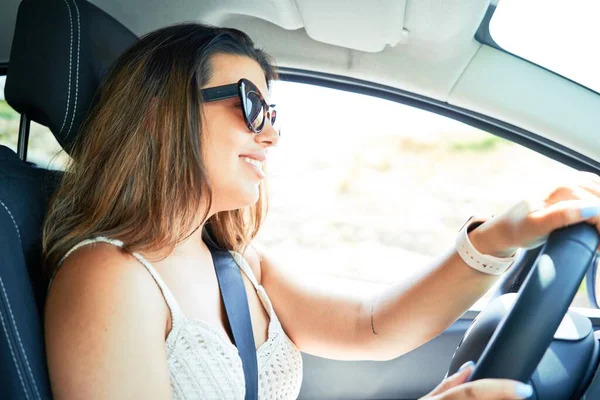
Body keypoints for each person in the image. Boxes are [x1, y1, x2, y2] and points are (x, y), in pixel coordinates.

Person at [41, 22, 600, 400]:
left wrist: (499, 236)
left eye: (274, 112)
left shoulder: (235, 263)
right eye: (251, 105)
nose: (272, 134)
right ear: (157, 114)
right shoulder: (108, 276)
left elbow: (371, 326)